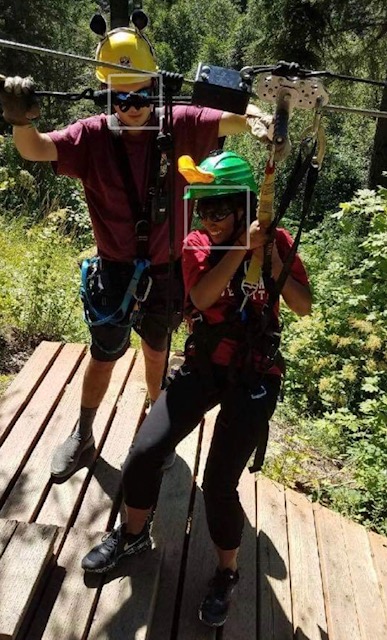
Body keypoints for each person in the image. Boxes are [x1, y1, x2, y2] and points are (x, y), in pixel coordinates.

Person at [0, 15, 278, 478]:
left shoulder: (181, 123)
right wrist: (19, 117)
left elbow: (235, 120)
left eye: (143, 95)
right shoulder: (90, 136)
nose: (133, 107)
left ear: (155, 87)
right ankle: (84, 433)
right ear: (106, 96)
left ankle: (158, 427)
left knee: (157, 348)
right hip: (115, 269)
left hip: (169, 268)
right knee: (105, 353)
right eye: (121, 97)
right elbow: (35, 149)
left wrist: (262, 121)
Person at [80, 150, 312, 627]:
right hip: (206, 362)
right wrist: (237, 250)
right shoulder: (198, 244)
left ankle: (226, 573)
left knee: (218, 485)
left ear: (245, 207)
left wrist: (268, 255)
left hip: (255, 372)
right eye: (201, 209)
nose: (207, 219)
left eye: (218, 210)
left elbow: (303, 306)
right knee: (145, 449)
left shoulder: (276, 240)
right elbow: (204, 298)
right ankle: (133, 535)